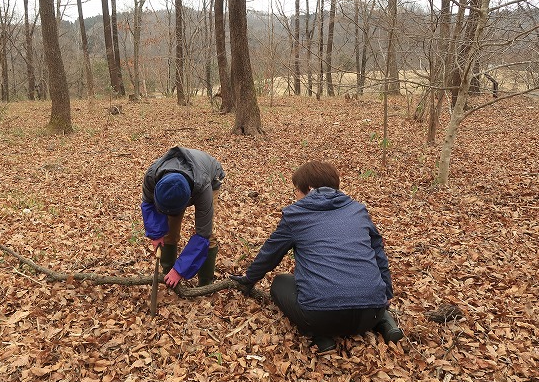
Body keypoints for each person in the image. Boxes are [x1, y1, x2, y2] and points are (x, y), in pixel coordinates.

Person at [231, 161, 402, 354]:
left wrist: (248, 280)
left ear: (310, 189)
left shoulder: (295, 215)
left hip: (320, 317)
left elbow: (270, 255)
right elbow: (378, 253)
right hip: (372, 312)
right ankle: (385, 322)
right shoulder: (358, 210)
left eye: (296, 190)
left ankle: (320, 336)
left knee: (279, 282)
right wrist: (387, 293)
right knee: (358, 290)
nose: (295, 195)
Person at [141, 147, 225, 287]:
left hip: (210, 176)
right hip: (184, 179)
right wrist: (156, 234)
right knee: (169, 232)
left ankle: (205, 283)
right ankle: (168, 274)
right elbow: (148, 204)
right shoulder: (152, 176)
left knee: (209, 237)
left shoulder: (203, 187)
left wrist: (180, 270)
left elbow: (203, 234)